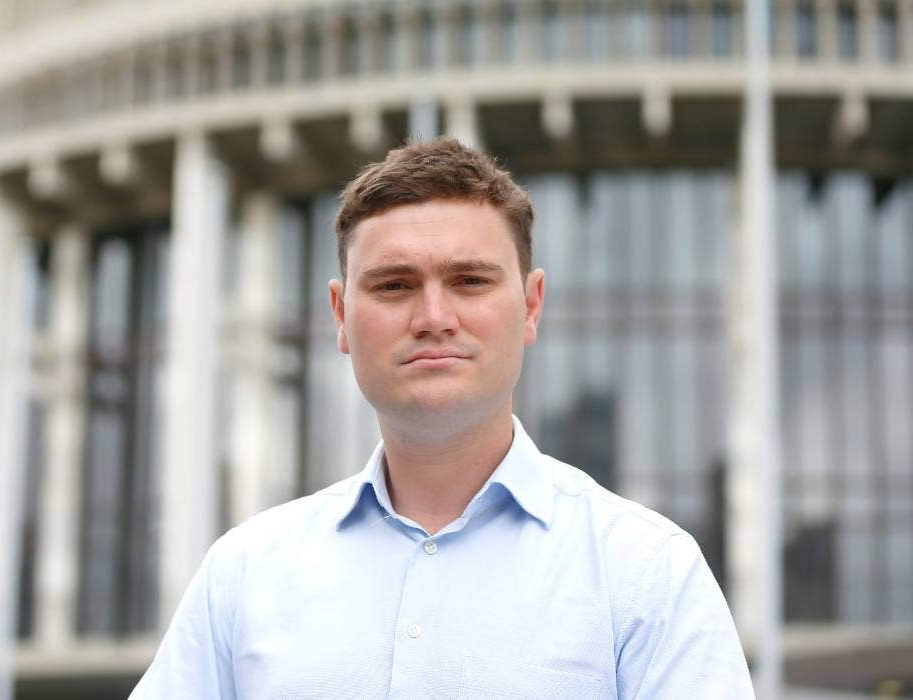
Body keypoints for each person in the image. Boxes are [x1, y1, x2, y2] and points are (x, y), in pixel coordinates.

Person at [133, 138, 754, 698]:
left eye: (470, 281)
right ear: (341, 315)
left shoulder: (647, 576)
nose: (434, 317)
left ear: (531, 305)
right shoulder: (243, 577)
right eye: (394, 286)